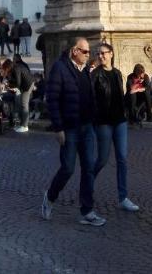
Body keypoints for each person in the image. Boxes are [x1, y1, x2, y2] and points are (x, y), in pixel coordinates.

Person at [42, 37, 104, 226]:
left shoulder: (85, 70)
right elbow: (52, 99)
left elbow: (89, 96)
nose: (88, 55)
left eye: (88, 52)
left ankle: (87, 210)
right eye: (85, 52)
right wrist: (58, 127)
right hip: (69, 128)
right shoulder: (59, 68)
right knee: (68, 168)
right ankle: (50, 197)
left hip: (87, 127)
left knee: (89, 168)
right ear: (74, 51)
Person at [92, 42, 139, 211]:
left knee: (122, 159)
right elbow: (93, 101)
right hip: (104, 122)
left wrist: (130, 94)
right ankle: (87, 184)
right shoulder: (95, 75)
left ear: (111, 53)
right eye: (98, 54)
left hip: (120, 121)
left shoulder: (118, 73)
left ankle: (123, 197)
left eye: (103, 53)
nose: (100, 56)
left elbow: (120, 99)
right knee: (102, 160)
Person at [1, 56, 34, 133]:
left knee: (24, 105)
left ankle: (25, 126)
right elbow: (16, 81)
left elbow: (18, 83)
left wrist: (9, 85)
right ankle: (22, 124)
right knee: (22, 104)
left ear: (8, 67)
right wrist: (9, 83)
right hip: (25, 85)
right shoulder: (14, 68)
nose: (6, 70)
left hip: (27, 86)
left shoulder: (16, 69)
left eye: (6, 69)